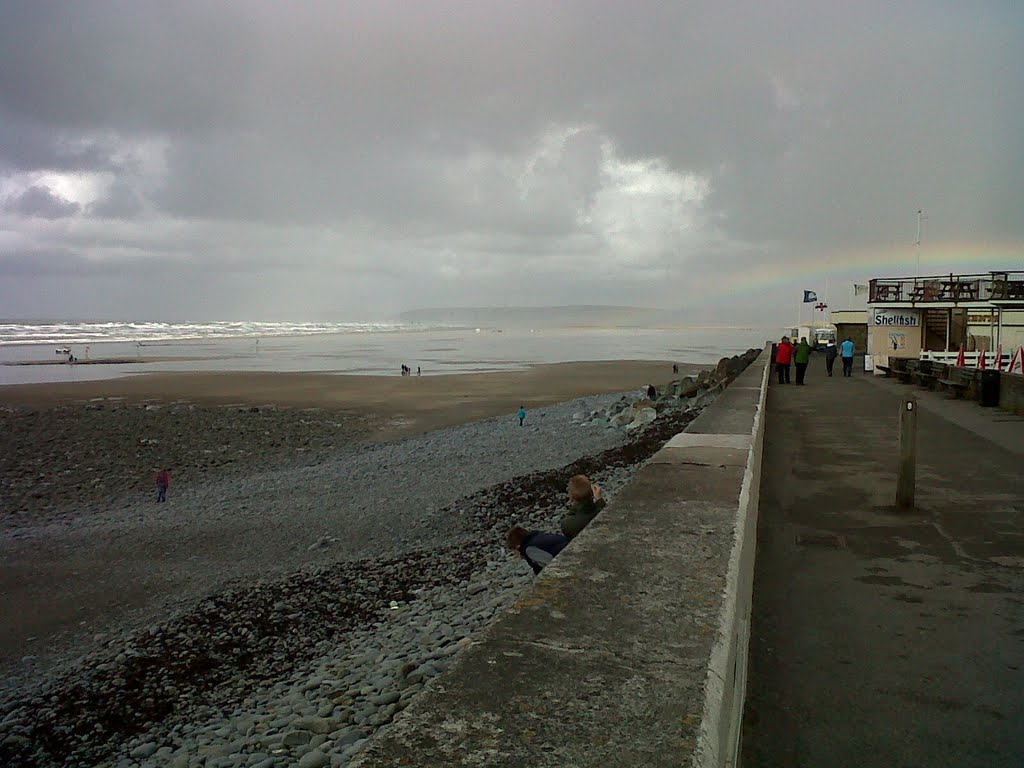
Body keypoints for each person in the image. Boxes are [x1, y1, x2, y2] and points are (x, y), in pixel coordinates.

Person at [560, 474, 607, 539]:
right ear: (593, 492)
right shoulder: (600, 509)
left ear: (571, 497)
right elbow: (605, 513)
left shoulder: (567, 524)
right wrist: (599, 499)